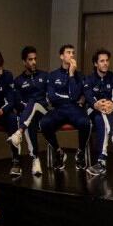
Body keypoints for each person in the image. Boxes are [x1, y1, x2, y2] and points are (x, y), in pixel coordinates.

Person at [40, 44, 92, 172]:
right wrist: (69, 98)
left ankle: (80, 152)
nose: (72, 55)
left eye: (73, 53)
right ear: (61, 56)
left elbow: (74, 95)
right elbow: (52, 97)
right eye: (68, 52)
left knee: (86, 123)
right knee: (44, 123)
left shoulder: (79, 75)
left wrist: (71, 74)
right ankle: (58, 152)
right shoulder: (52, 75)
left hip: (75, 109)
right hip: (59, 109)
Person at [7, 46, 49, 178]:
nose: (34, 62)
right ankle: (35, 159)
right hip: (29, 116)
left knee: (33, 103)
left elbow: (49, 97)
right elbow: (17, 102)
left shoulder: (44, 76)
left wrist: (31, 105)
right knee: (28, 121)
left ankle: (18, 133)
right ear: (24, 62)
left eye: (35, 59)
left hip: (43, 111)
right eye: (30, 59)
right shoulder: (18, 81)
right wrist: (27, 108)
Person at [83, 49, 113, 177]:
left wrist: (112, 104)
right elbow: (89, 97)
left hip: (112, 113)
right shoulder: (89, 79)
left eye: (107, 60)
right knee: (100, 115)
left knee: (101, 118)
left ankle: (101, 162)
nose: (105, 63)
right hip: (94, 112)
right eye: (102, 61)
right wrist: (98, 104)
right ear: (96, 64)